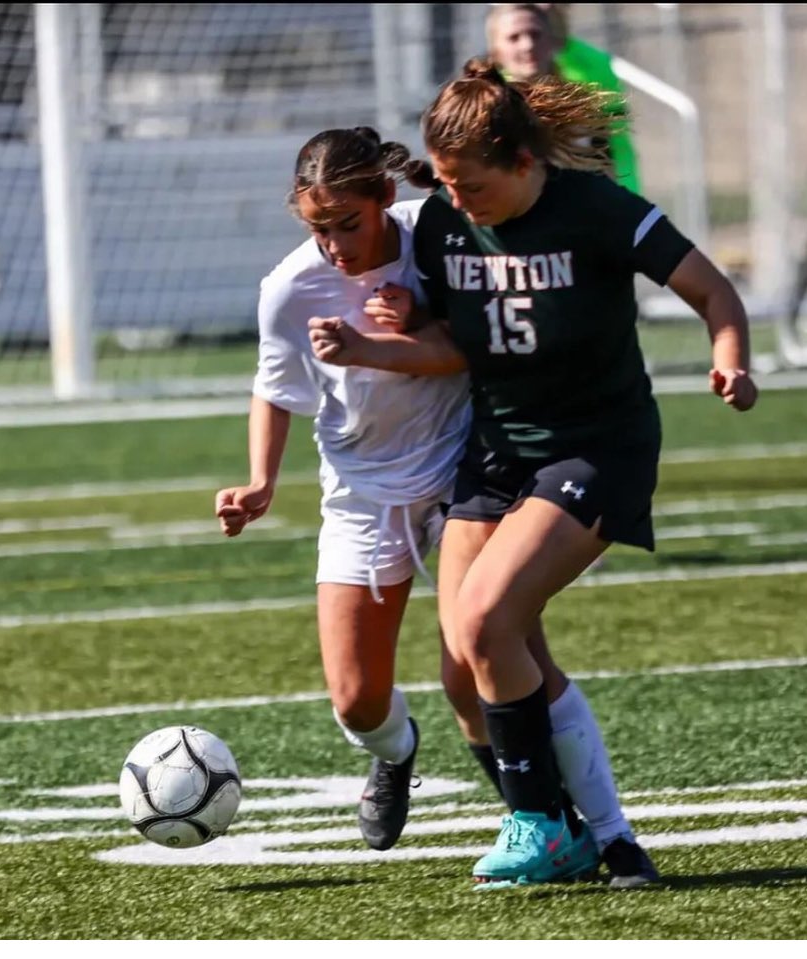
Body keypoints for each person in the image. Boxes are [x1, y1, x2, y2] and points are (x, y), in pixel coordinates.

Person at [308, 59, 758, 889]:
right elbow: (456, 342)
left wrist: (729, 359)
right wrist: (386, 336)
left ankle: (542, 825)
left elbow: (713, 291)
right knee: (465, 658)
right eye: (443, 183)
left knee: (483, 623)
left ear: (523, 162)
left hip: (596, 447)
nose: (453, 200)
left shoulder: (597, 210)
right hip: (497, 449)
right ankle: (607, 839)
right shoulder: (445, 222)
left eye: (468, 184)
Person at [217, 125, 657, 888]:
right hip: (360, 496)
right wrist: (259, 480)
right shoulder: (289, 286)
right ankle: (394, 754)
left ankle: (583, 831)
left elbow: (480, 340)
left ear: (386, 197)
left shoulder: (438, 236)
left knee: (486, 656)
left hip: (465, 473)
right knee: (356, 701)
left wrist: (410, 325)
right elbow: (275, 387)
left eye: (346, 224)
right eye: (317, 229)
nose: (333, 246)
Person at [486, 2, 642, 195]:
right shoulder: (490, 104)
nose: (527, 45)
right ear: (495, 51)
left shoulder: (584, 81)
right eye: (514, 37)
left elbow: (608, 152)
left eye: (535, 34)